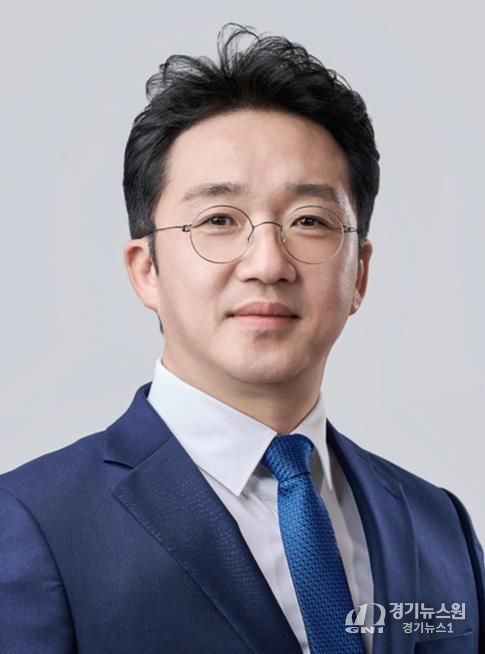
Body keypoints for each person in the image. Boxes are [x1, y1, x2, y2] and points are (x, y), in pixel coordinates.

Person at [0, 23, 483, 654]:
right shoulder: (32, 524)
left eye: (309, 221)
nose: (268, 263)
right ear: (146, 270)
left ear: (359, 274)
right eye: (219, 219)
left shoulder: (439, 525)